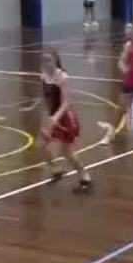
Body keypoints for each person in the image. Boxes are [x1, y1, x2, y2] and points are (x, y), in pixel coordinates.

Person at [39, 49, 93, 194]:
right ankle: (57, 170)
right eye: (44, 60)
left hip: (65, 117)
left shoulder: (62, 77)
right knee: (42, 145)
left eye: (49, 60)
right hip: (52, 116)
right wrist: (47, 118)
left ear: (56, 61)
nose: (46, 63)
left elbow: (66, 102)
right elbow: (46, 100)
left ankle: (85, 176)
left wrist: (56, 118)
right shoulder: (43, 77)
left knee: (67, 152)